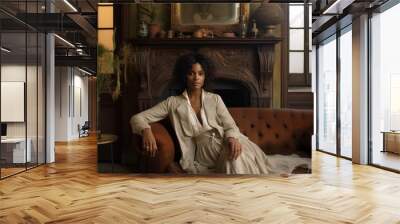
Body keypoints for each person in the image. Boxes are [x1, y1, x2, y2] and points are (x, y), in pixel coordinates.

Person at [130, 53, 310, 175]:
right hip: (203, 156)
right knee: (234, 162)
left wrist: (232, 138)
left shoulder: (214, 99)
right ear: (184, 76)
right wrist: (146, 130)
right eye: (191, 73)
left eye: (200, 73)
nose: (196, 78)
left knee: (236, 157)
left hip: (229, 142)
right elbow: (137, 118)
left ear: (205, 76)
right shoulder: (173, 103)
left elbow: (230, 126)